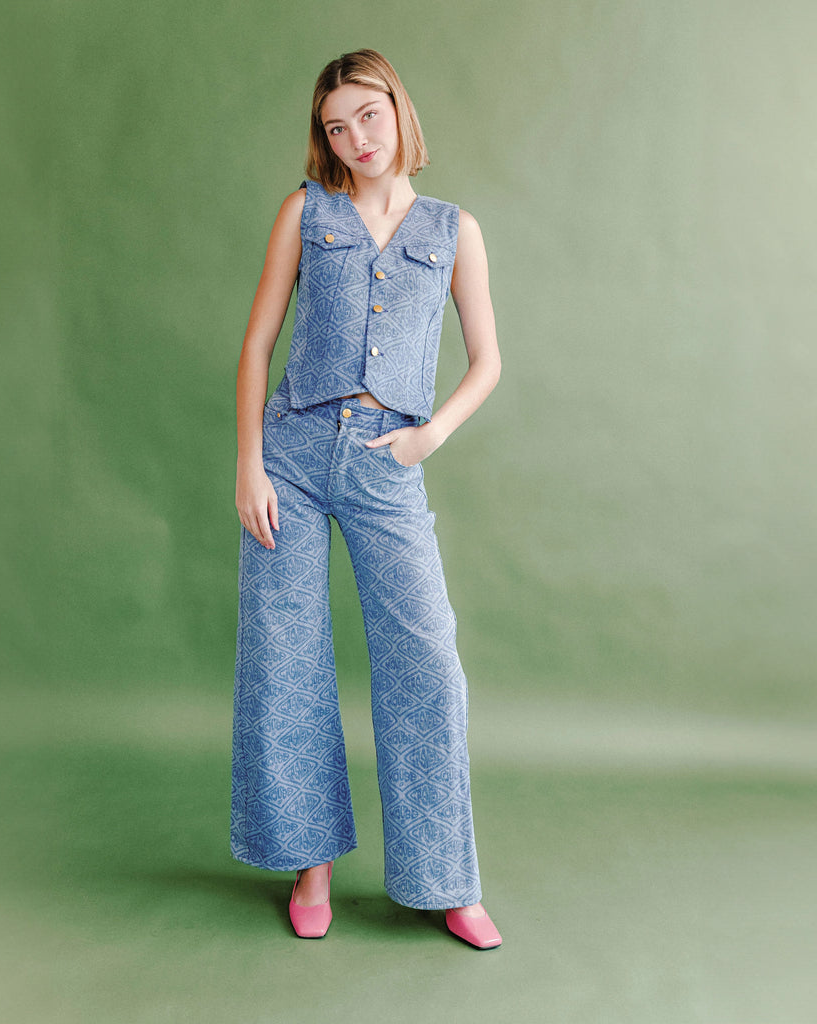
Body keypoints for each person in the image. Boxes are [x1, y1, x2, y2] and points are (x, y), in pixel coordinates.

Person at [232, 49, 502, 950]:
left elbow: (488, 360)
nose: (356, 137)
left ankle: (445, 879)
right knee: (287, 656)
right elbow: (259, 342)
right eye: (337, 126)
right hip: (293, 455)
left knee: (427, 661)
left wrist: (430, 435)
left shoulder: (453, 229)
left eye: (369, 115)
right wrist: (250, 464)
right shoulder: (305, 213)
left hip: (390, 461)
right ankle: (311, 862)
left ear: (399, 110)